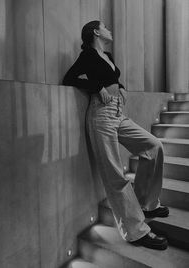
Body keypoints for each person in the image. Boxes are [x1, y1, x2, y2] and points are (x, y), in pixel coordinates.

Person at [63, 20, 169, 250]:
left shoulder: (107, 55)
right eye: (105, 27)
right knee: (116, 176)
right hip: (100, 117)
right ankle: (136, 231)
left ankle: (147, 203)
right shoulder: (88, 55)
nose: (109, 30)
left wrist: (119, 86)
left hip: (118, 113)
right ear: (95, 32)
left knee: (153, 146)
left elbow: (111, 77)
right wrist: (95, 87)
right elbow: (69, 78)